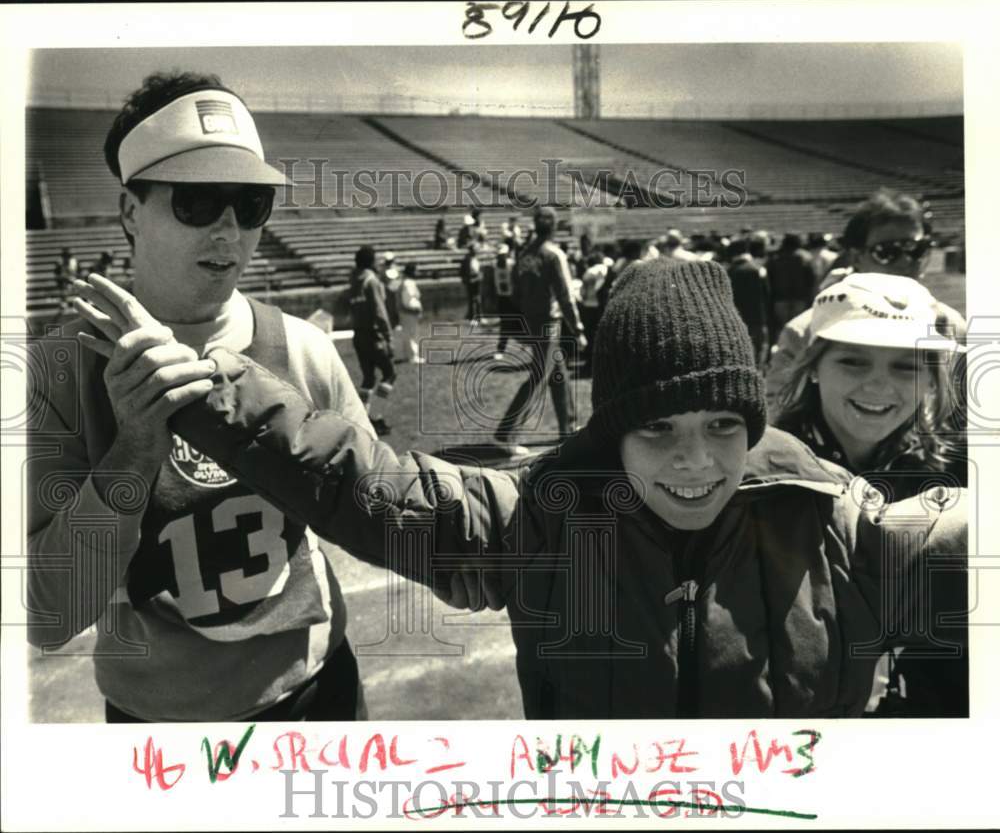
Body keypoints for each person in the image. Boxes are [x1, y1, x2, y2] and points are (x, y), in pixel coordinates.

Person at [79, 257, 969, 719]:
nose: (695, 463)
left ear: (755, 423)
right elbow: (364, 483)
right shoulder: (546, 522)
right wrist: (207, 389)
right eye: (656, 429)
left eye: (721, 428)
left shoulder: (843, 521)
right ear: (608, 431)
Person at [27, 70, 373, 723]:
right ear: (131, 209)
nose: (229, 230)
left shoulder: (305, 348)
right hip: (161, 729)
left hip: (319, 695)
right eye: (198, 201)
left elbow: (373, 513)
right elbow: (48, 616)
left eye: (250, 205)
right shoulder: (57, 373)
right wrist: (131, 453)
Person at [773, 273, 967, 717]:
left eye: (905, 366)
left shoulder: (960, 474)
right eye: (853, 362)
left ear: (932, 381)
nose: (879, 387)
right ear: (814, 368)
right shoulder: (767, 471)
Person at [767, 189, 966, 412]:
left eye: (916, 250)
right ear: (856, 257)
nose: (905, 261)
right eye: (887, 252)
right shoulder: (806, 330)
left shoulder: (951, 327)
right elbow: (777, 414)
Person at [496, 205, 586, 453]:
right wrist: (577, 329)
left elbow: (514, 291)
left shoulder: (525, 253)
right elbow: (565, 296)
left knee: (558, 373)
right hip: (550, 321)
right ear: (554, 227)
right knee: (540, 375)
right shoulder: (553, 254)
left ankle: (568, 427)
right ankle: (507, 433)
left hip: (533, 319)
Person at [349, 244, 395, 436]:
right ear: (371, 261)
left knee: (368, 378)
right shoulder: (371, 281)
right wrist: (388, 336)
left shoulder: (354, 281)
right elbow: (379, 311)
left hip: (358, 334)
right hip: (372, 334)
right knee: (389, 374)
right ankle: (376, 418)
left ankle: (362, 421)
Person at [725, 237, 770, 367]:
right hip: (757, 315)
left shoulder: (728, 271)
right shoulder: (758, 270)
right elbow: (767, 295)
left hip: (737, 315)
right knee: (758, 347)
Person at [492, 243, 518, 361]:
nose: (502, 257)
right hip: (503, 298)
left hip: (512, 297)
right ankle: (500, 349)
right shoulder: (502, 264)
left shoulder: (510, 264)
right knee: (505, 325)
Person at [398, 262, 424, 363]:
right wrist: (414, 309)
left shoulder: (407, 282)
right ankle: (413, 356)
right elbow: (407, 299)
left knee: (409, 334)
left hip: (408, 311)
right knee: (411, 334)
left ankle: (409, 355)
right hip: (409, 312)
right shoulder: (408, 283)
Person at [52, 247, 80, 321]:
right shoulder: (59, 263)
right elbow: (56, 274)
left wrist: (74, 279)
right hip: (63, 283)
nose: (67, 258)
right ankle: (64, 305)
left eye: (68, 256)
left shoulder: (74, 261)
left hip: (73, 282)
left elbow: (79, 272)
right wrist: (62, 279)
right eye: (66, 256)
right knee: (64, 296)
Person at [459, 241, 483, 321]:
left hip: (476, 280)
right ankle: (472, 315)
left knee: (477, 298)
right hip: (471, 280)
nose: (476, 251)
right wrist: (465, 279)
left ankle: (478, 315)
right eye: (475, 249)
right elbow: (462, 271)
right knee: (472, 299)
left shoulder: (475, 258)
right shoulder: (467, 259)